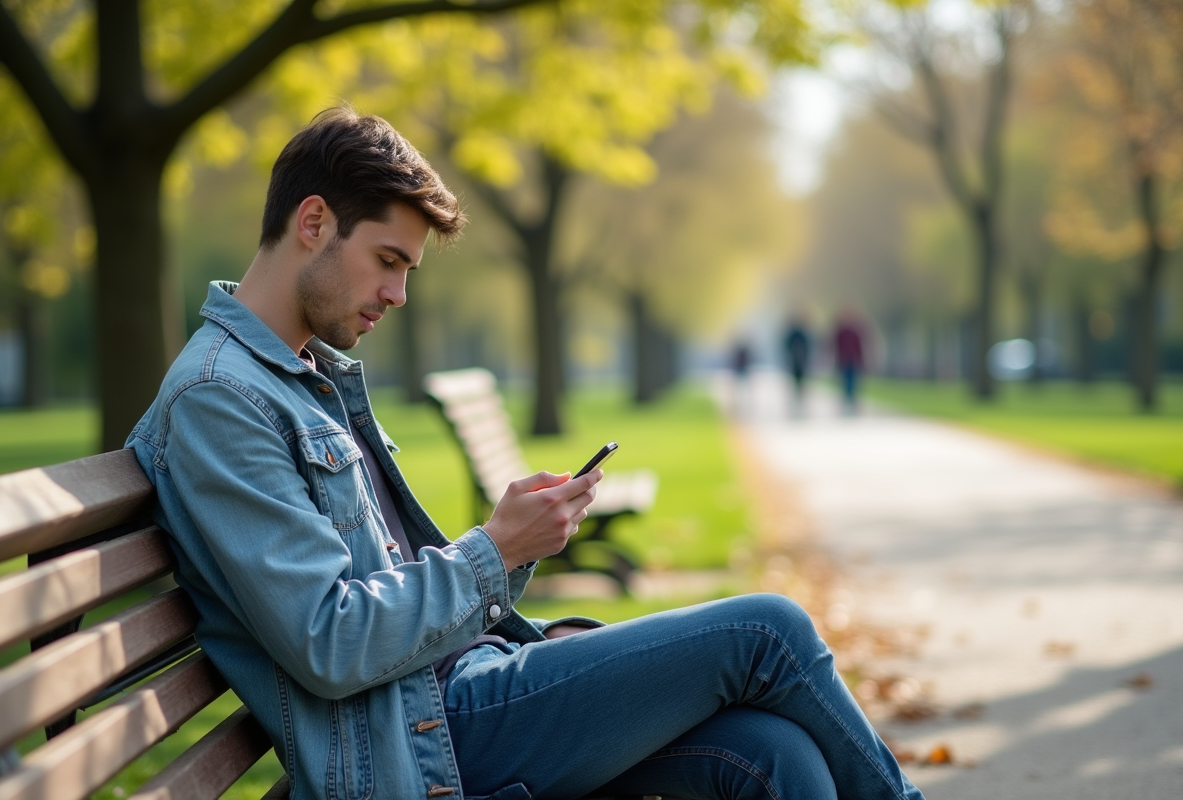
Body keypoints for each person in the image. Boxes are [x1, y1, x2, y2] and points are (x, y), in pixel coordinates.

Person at [126, 108, 924, 800]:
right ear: (312, 224)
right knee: (769, 630)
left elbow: (380, 594)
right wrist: (492, 550)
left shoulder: (298, 380)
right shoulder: (219, 400)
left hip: (456, 690)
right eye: (389, 261)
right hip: (416, 742)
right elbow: (333, 642)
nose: (398, 295)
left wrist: (511, 567)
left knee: (772, 755)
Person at [833, 309, 867, 413]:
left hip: (853, 359)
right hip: (843, 359)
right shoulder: (841, 331)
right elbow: (835, 346)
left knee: (853, 381)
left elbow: (859, 346)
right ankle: (846, 399)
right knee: (845, 380)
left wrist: (861, 360)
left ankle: (852, 399)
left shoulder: (856, 331)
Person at [781, 316, 812, 410]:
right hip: (796, 360)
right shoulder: (796, 334)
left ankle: (799, 395)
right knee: (797, 379)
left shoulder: (799, 334)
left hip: (798, 360)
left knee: (799, 379)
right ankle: (798, 395)